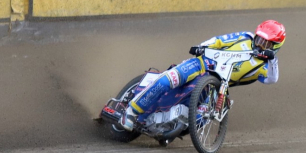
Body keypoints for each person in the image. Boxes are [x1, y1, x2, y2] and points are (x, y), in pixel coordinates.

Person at [120, 21, 286, 131]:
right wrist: (202, 47)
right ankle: (131, 112)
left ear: (275, 46)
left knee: (201, 118)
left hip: (218, 86)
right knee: (166, 82)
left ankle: (167, 129)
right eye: (259, 39)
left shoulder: (266, 65)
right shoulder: (245, 37)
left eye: (266, 43)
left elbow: (272, 79)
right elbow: (219, 41)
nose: (259, 44)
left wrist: (272, 59)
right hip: (202, 64)